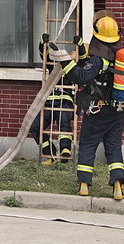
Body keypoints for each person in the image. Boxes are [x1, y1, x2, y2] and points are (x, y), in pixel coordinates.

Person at [56, 10, 124, 200]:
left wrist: (64, 60)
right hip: (117, 111)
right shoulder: (123, 59)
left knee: (88, 144)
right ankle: (117, 186)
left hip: (97, 111)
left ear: (97, 36)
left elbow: (81, 76)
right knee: (113, 147)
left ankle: (84, 185)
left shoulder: (98, 60)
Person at [30, 33, 86, 165]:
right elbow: (44, 56)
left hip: (65, 102)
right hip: (49, 102)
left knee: (64, 123)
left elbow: (83, 59)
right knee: (35, 127)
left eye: (73, 52)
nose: (71, 52)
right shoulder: (55, 66)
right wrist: (42, 44)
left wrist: (81, 46)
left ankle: (65, 150)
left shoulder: (76, 69)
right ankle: (50, 154)